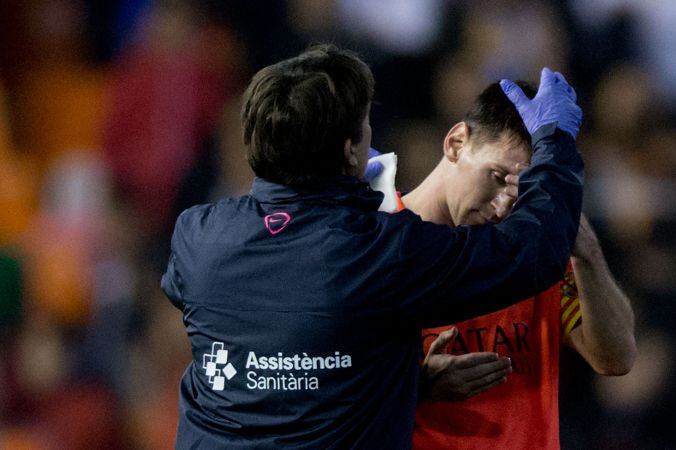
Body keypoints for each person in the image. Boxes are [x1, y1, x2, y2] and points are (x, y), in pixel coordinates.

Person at [161, 44, 584, 448]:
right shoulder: (380, 252)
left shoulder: (196, 237)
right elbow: (532, 251)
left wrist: (406, 383)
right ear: (350, 152)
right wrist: (554, 142)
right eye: (366, 125)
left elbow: (292, 353)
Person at [401, 81, 636, 449]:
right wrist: (416, 387)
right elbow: (327, 387)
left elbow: (616, 358)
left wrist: (585, 249)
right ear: (457, 143)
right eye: (496, 178)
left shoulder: (535, 247)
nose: (501, 207)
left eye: (519, 193)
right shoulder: (378, 244)